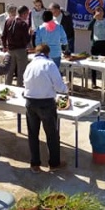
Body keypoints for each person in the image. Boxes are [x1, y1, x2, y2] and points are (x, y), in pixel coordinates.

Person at [22, 43, 68, 173]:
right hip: (46, 103)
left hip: (30, 102)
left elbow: (25, 83)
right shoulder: (50, 64)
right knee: (52, 135)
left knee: (32, 134)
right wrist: (66, 87)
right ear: (48, 53)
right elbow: (59, 87)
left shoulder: (30, 65)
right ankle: (54, 163)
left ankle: (35, 164)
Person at [1, 5, 31, 87]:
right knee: (21, 71)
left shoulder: (8, 21)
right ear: (24, 14)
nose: (27, 16)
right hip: (20, 50)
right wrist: (30, 35)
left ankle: (7, 87)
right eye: (27, 14)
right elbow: (26, 40)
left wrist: (4, 46)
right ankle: (20, 88)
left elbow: (3, 35)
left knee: (9, 70)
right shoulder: (23, 24)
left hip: (10, 49)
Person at [86, 6, 105, 88]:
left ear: (104, 13)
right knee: (94, 63)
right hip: (95, 44)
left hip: (104, 45)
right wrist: (94, 18)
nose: (99, 12)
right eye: (97, 11)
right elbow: (88, 28)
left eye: (101, 11)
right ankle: (94, 82)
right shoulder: (94, 20)